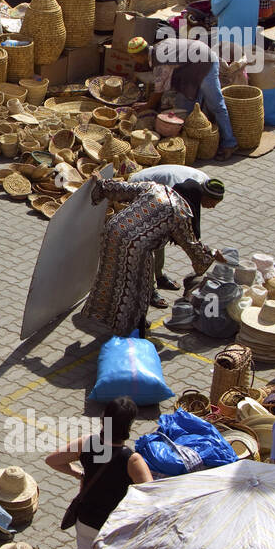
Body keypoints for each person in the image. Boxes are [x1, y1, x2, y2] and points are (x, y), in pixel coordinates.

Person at [45, 396, 153, 549]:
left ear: (105, 420)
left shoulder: (88, 443)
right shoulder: (132, 459)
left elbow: (53, 460)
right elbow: (152, 494)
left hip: (86, 522)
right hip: (114, 530)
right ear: (128, 426)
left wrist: (77, 472)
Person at [80, 174, 220, 339]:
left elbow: (122, 189)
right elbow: (191, 244)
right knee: (139, 287)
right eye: (213, 203)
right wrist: (211, 255)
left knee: (111, 277)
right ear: (201, 196)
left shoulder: (156, 188)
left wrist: (101, 183)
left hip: (113, 232)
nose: (212, 207)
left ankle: (105, 316)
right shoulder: (180, 211)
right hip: (136, 247)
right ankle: (132, 326)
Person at [128, 165, 226, 304]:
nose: (213, 207)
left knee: (160, 240)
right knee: (150, 244)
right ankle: (150, 290)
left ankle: (159, 276)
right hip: (141, 187)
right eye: (212, 203)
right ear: (205, 196)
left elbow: (189, 230)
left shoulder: (204, 186)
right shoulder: (177, 195)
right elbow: (185, 236)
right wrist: (209, 253)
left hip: (161, 190)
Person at [133, 36, 237, 160]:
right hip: (192, 67)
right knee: (184, 108)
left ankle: (230, 144)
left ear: (139, 56)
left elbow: (159, 90)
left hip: (205, 63)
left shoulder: (159, 61)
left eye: (134, 58)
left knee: (216, 105)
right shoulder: (157, 47)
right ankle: (197, 142)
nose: (134, 61)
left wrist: (147, 106)